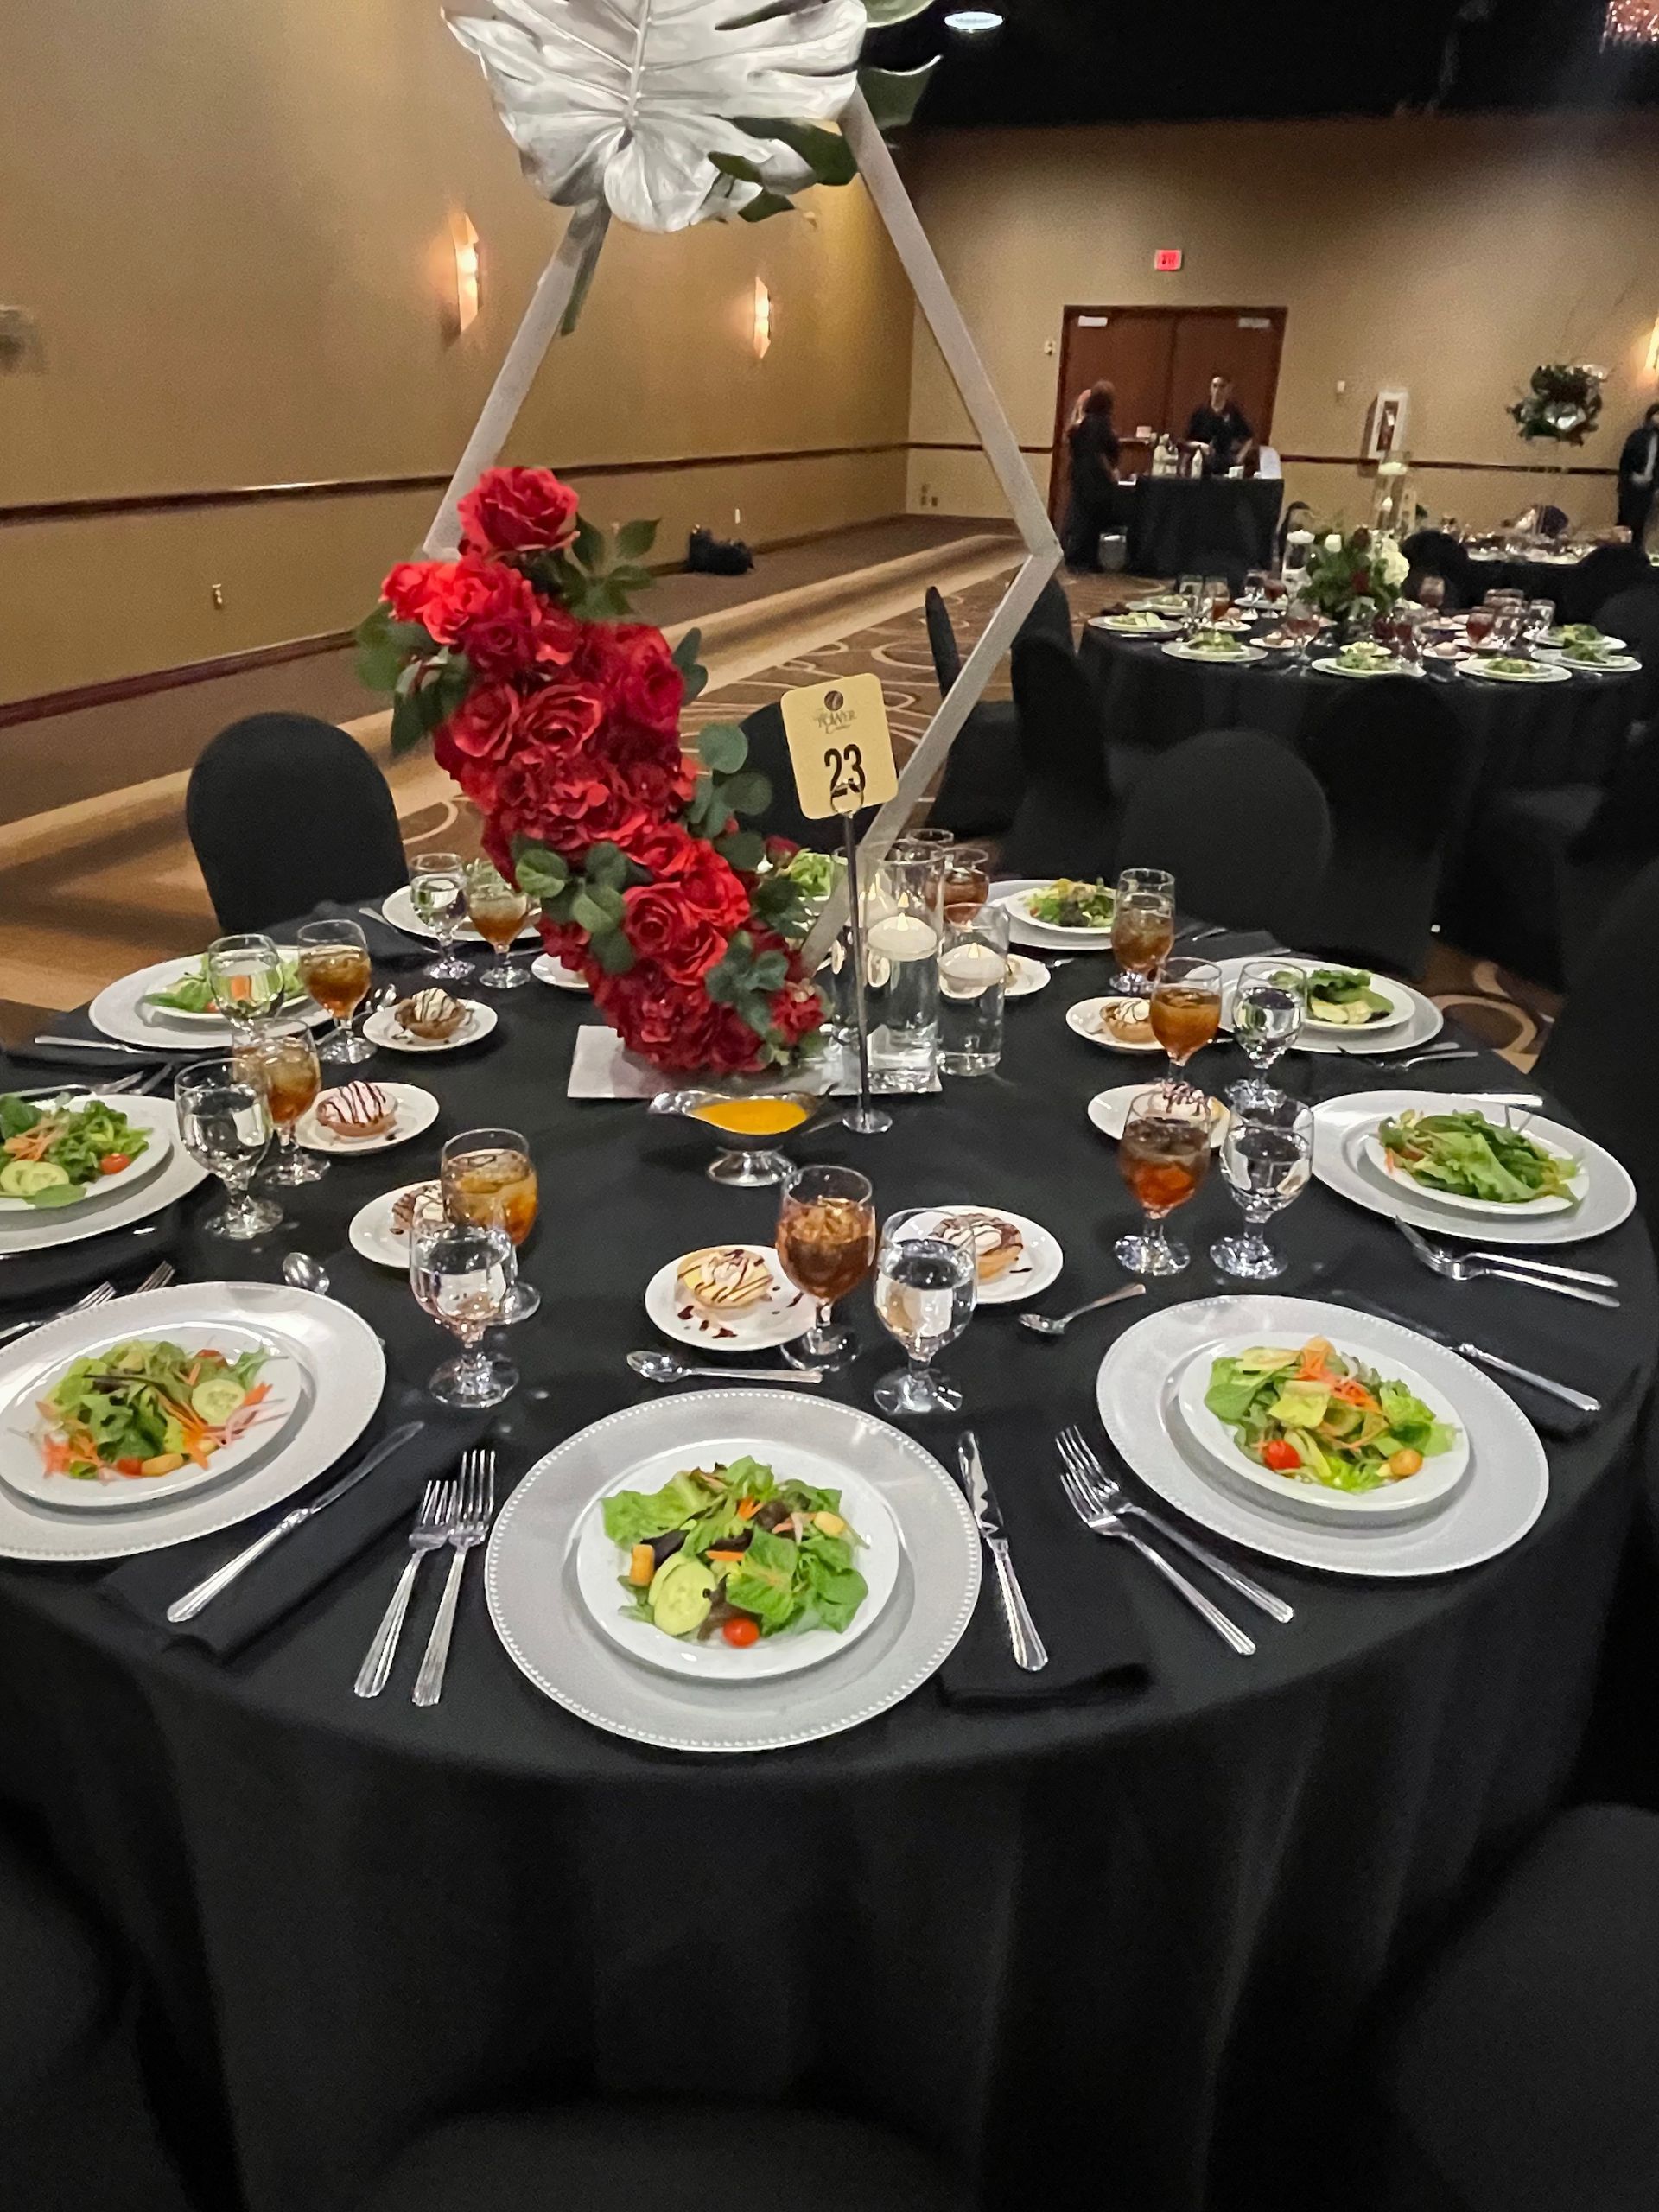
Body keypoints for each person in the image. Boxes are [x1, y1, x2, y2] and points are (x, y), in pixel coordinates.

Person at [1062, 381, 1122, 569]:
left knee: (1078, 516)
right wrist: (1111, 472)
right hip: (1096, 479)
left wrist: (1078, 408)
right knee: (1092, 519)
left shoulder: (1084, 423)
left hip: (1080, 476)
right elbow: (1100, 452)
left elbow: (1069, 438)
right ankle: (1087, 559)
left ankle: (1073, 555)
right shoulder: (1101, 423)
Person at [1186, 373, 1255, 475]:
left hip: (1224, 465)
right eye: (1214, 386)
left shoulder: (1233, 413)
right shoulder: (1201, 412)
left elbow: (1249, 438)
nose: (1217, 391)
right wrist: (1200, 445)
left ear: (1228, 389)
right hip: (1200, 464)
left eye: (1222, 386)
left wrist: (1239, 458)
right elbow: (1187, 441)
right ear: (1210, 388)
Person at [1617, 402, 1659, 549]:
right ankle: (1622, 553)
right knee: (1626, 523)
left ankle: (1638, 553)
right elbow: (1626, 460)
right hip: (1632, 486)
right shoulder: (1638, 436)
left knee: (1644, 524)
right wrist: (1624, 482)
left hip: (1651, 487)